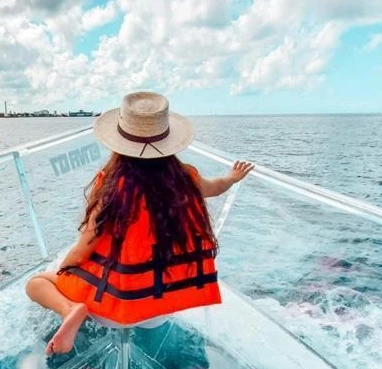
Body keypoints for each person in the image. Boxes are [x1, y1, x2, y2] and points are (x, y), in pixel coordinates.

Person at [26, 91, 254, 355]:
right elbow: (216, 187)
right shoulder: (185, 179)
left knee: (37, 283)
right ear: (167, 141)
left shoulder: (112, 186)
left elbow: (84, 247)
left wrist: (63, 269)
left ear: (119, 142)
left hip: (112, 308)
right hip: (162, 306)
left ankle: (70, 311)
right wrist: (232, 177)